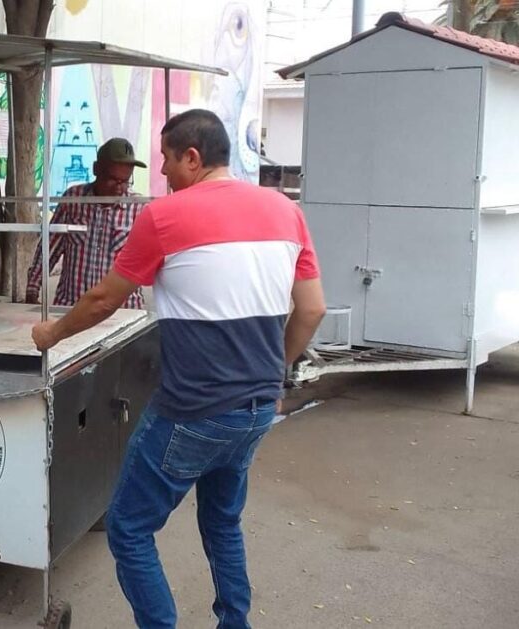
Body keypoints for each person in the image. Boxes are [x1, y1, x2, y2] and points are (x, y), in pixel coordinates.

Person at [32, 109, 326, 629]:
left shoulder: (165, 216)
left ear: (192, 157)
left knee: (127, 528)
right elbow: (311, 310)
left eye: (167, 159)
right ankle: (234, 623)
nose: (162, 173)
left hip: (194, 409)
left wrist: (51, 334)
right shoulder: (285, 211)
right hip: (257, 409)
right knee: (222, 520)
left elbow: (102, 300)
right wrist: (272, 374)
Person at [25, 138, 147, 309]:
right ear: (96, 169)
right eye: (113, 179)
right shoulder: (73, 199)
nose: (119, 188)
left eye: (125, 181)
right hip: (72, 307)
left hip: (121, 310)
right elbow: (49, 246)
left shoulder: (139, 208)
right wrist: (33, 287)